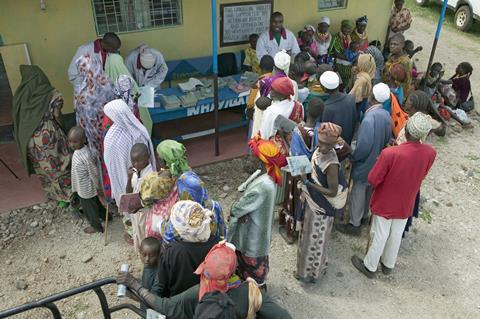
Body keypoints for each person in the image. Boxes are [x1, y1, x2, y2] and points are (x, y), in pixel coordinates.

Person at [352, 112, 436, 278]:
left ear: (406, 130)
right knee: (396, 233)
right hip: (407, 199)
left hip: (386, 199)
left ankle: (370, 266)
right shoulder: (430, 153)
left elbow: (373, 179)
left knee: (380, 233)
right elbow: (423, 174)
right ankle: (388, 264)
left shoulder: (390, 153)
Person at [116, 241, 292, 318]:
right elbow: (283, 316)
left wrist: (134, 285)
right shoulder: (250, 291)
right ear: (233, 270)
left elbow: (164, 306)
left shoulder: (199, 293)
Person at [336, 83, 392, 236]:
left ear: (372, 98)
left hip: (365, 162)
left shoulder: (369, 119)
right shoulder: (386, 115)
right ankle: (364, 216)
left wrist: (351, 153)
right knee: (369, 190)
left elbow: (363, 147)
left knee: (358, 192)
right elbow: (388, 138)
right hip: (378, 161)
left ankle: (354, 223)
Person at [295, 123, 348, 283]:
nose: (323, 147)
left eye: (328, 144)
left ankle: (309, 274)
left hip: (321, 208)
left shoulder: (331, 164)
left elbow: (332, 192)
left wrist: (308, 183)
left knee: (315, 241)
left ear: (334, 144)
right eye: (321, 142)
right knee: (308, 238)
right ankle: (308, 270)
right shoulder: (320, 151)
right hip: (314, 203)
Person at [13, 65, 72, 206]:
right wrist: (63, 129)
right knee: (60, 164)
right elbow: (57, 115)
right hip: (49, 136)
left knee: (44, 167)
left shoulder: (21, 96)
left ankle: (54, 195)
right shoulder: (51, 93)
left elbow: (18, 118)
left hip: (30, 139)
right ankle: (68, 195)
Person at [228, 144, 279, 287]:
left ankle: (254, 297)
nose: (248, 157)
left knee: (252, 268)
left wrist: (234, 208)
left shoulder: (262, 186)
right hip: (256, 229)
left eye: (252, 155)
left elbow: (238, 209)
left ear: (261, 160)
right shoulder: (263, 175)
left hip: (254, 237)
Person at [279, 98, 324, 244]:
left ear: (307, 111)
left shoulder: (298, 132)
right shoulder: (320, 130)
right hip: (313, 173)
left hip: (299, 175)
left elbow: (295, 155)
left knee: (294, 201)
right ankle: (304, 228)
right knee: (306, 202)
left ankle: (291, 232)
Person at [157, 200, 219, 297]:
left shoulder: (171, 251)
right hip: (210, 298)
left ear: (180, 228)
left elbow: (162, 283)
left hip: (180, 300)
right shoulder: (216, 242)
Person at [73, 54, 115, 160]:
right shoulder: (109, 84)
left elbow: (79, 115)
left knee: (99, 160)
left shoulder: (79, 91)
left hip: (91, 134)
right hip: (110, 129)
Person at [68, 126, 106, 233]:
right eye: (70, 141)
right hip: (81, 186)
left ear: (83, 140)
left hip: (87, 188)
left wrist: (98, 187)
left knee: (89, 209)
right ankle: (105, 216)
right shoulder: (77, 151)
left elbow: (93, 172)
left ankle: (96, 226)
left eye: (75, 142)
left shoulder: (86, 155)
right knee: (96, 203)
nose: (72, 144)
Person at [174, 171, 226, 241]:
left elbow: (170, 236)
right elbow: (222, 228)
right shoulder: (214, 205)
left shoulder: (180, 213)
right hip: (214, 245)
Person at [125, 143, 155, 252]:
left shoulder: (151, 176)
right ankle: (142, 252)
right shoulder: (134, 173)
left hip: (146, 213)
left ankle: (148, 256)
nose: (136, 164)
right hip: (136, 213)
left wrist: (136, 207)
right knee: (137, 233)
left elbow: (150, 200)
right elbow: (128, 192)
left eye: (139, 161)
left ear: (147, 157)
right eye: (133, 161)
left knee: (146, 236)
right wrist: (128, 179)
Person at [259, 77, 303, 143]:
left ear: (283, 95)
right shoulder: (299, 106)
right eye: (271, 89)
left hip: (277, 149)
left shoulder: (271, 111)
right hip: (295, 144)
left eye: (274, 90)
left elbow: (265, 134)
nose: (271, 92)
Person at [320, 71, 357, 146]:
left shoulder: (326, 108)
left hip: (333, 147)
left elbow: (325, 134)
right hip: (347, 144)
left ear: (324, 88)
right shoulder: (351, 99)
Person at [247, 55, 274, 138]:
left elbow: (250, 104)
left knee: (254, 139)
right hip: (271, 115)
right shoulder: (275, 79)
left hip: (258, 115)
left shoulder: (258, 83)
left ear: (259, 67)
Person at [383, 33, 412, 100]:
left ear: (402, 45)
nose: (392, 46)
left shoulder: (406, 62)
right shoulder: (391, 55)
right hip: (386, 88)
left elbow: (407, 82)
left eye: (395, 44)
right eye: (391, 44)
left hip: (396, 93)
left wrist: (394, 81)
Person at [349, 53, 376, 119]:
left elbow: (352, 96)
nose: (357, 65)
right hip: (364, 104)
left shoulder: (361, 79)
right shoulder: (368, 75)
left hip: (357, 107)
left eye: (358, 62)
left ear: (363, 64)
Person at [329, 20, 354, 87]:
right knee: (339, 82)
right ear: (341, 27)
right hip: (339, 64)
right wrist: (349, 58)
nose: (347, 30)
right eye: (345, 28)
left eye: (349, 28)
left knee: (347, 82)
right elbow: (336, 54)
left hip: (348, 65)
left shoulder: (350, 37)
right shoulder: (336, 37)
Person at [139, 237, 161, 311]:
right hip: (144, 306)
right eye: (144, 255)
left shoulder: (159, 273)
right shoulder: (148, 266)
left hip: (152, 309)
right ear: (139, 252)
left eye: (151, 256)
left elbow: (154, 297)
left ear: (158, 255)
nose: (147, 259)